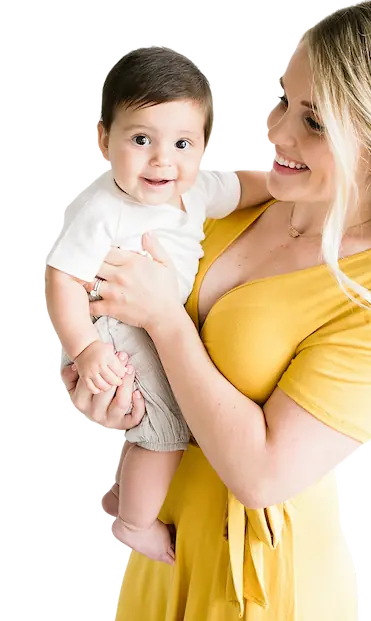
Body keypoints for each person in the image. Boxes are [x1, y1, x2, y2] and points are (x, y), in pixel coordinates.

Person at [60, 1, 371, 619]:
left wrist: (166, 323)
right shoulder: (235, 204)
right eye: (282, 100)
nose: (276, 133)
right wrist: (103, 382)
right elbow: (144, 352)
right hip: (162, 551)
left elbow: (263, 474)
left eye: (316, 121)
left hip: (259, 585)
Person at [44, 45, 271, 564]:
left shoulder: (193, 189)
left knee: (155, 419)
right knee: (166, 428)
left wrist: (289, 193)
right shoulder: (107, 209)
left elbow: (248, 185)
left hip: (148, 318)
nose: (162, 159)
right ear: (102, 140)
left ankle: (124, 497)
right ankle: (133, 522)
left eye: (183, 143)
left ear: (205, 147)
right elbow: (62, 279)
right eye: (141, 139)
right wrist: (85, 352)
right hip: (117, 326)